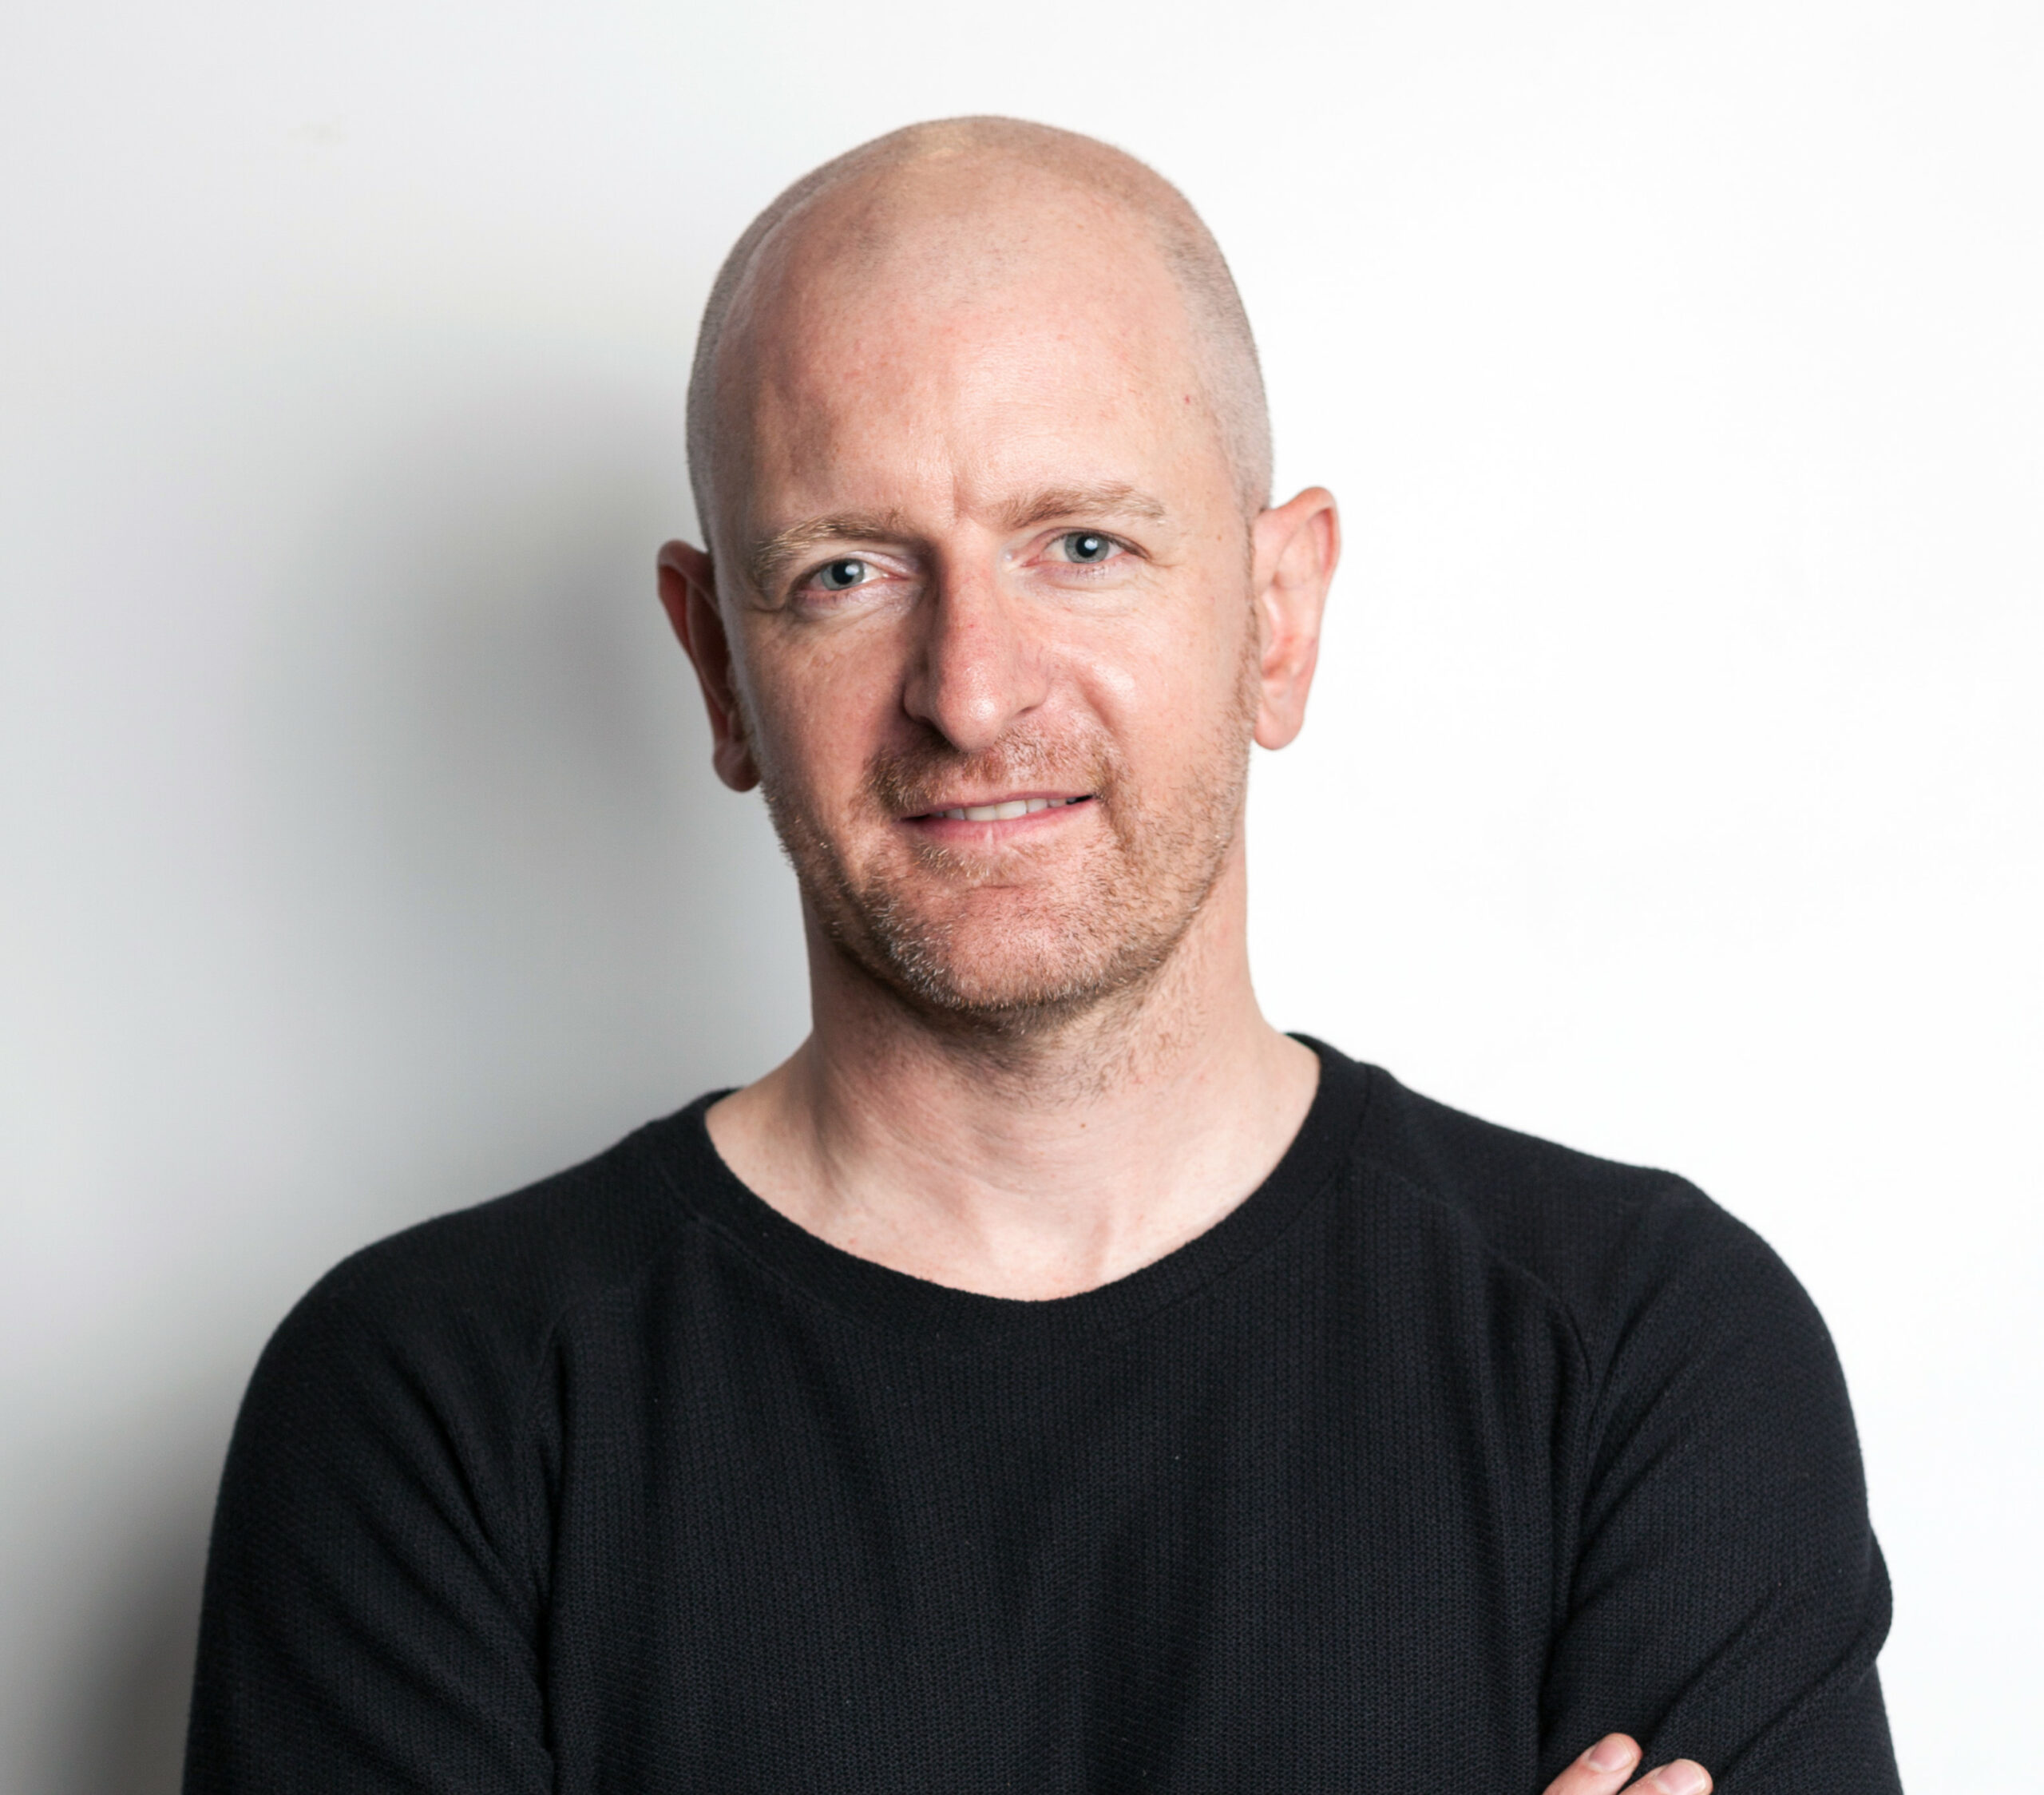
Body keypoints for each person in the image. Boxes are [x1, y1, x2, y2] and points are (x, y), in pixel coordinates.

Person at [183, 117, 1899, 1794]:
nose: (971, 690)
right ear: (719, 669)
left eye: (1082, 546)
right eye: (847, 572)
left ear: (1278, 615)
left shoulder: (1641, 1353)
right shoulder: (431, 1408)